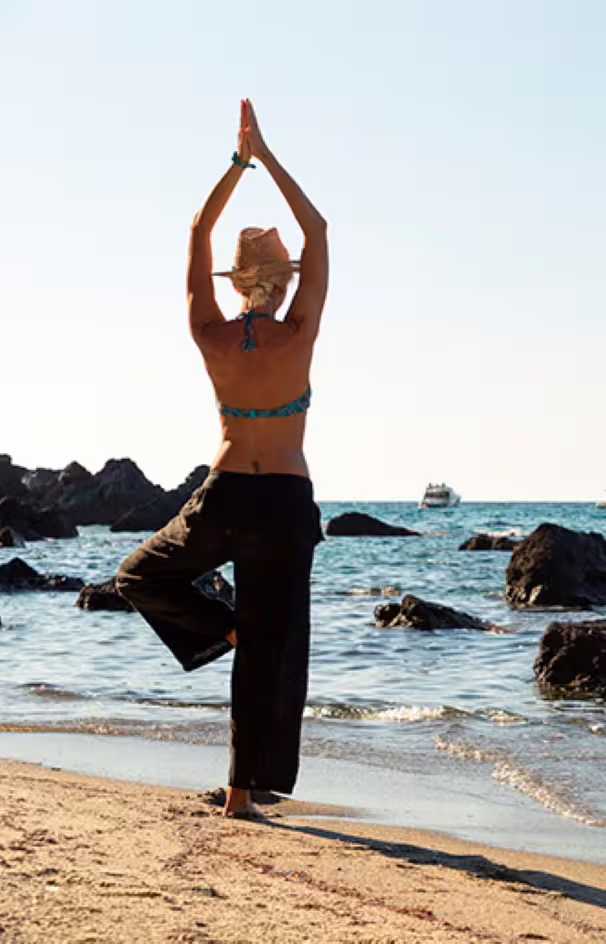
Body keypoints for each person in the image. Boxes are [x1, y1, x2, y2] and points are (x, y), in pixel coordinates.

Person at [117, 99, 329, 819]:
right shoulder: (299, 332)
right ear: (284, 279)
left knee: (138, 575)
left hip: (226, 494)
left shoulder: (207, 329)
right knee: (272, 651)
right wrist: (268, 155)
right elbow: (320, 229)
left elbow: (199, 230)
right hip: (285, 505)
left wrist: (237, 165)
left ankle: (224, 637)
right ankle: (242, 791)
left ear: (237, 282)